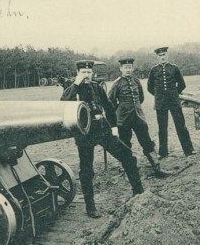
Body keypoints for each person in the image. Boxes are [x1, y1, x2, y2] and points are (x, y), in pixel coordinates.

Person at [61, 60, 144, 218]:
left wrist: (113, 127)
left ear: (92, 72)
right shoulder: (72, 89)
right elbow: (63, 102)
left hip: (102, 129)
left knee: (127, 156)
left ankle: (138, 191)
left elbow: (109, 106)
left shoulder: (96, 87)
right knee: (87, 170)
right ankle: (90, 207)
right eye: (83, 72)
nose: (87, 75)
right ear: (78, 73)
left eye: (89, 72)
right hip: (84, 132)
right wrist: (76, 85)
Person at [108, 58, 173, 178]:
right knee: (125, 144)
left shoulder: (136, 81)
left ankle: (157, 168)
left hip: (138, 118)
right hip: (123, 120)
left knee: (147, 142)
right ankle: (128, 169)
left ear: (132, 68)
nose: (128, 70)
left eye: (130, 67)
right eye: (125, 67)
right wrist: (121, 109)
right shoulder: (117, 83)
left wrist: (135, 108)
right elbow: (110, 102)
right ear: (121, 69)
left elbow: (141, 98)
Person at [147, 47, 196, 158]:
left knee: (181, 125)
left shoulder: (174, 68)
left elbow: (182, 84)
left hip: (174, 101)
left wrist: (174, 94)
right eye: (160, 55)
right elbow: (150, 87)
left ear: (167, 55)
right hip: (161, 103)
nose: (162, 57)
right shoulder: (154, 70)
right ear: (157, 57)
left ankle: (189, 150)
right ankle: (163, 152)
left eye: (164, 54)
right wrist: (159, 95)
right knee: (162, 127)